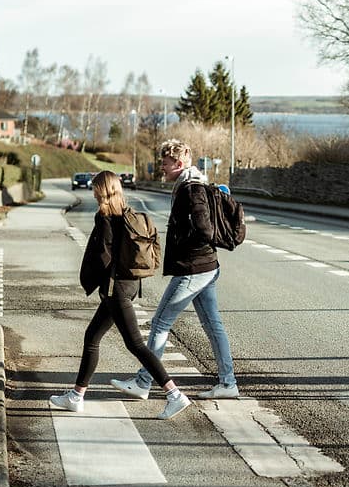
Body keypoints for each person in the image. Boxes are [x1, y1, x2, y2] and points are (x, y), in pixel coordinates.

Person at [49, 170, 192, 419]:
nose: (92, 192)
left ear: (102, 190)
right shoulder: (126, 213)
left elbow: (103, 257)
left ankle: (174, 394)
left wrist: (94, 280)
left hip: (116, 290)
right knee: (92, 336)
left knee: (135, 344)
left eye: (95, 188)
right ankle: (76, 396)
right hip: (129, 285)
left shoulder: (105, 217)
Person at [110, 139, 239, 400]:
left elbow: (204, 229)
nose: (162, 169)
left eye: (166, 164)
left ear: (179, 164)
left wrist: (183, 245)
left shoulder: (190, 190)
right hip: (206, 266)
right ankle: (228, 383)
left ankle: (144, 381)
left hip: (192, 268)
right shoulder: (193, 184)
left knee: (159, 324)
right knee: (213, 326)